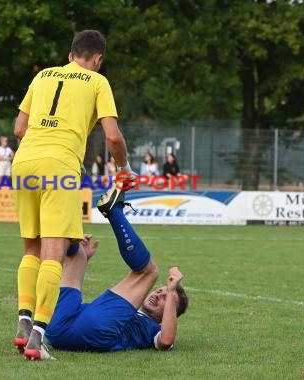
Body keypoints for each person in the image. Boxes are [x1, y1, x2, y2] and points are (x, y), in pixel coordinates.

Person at [11, 30, 137, 360]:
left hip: (23, 162)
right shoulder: (98, 82)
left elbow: (19, 130)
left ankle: (23, 323)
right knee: (53, 253)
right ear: (97, 59)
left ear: (70, 55)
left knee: (31, 248)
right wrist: (124, 168)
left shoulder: (42, 76)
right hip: (60, 165)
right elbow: (113, 137)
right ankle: (38, 339)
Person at [44, 183, 188, 353]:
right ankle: (69, 234)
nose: (159, 294)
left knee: (149, 272)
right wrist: (84, 260)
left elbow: (166, 340)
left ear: (168, 314)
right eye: (161, 291)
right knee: (79, 255)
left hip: (94, 330)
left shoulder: (152, 330)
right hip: (56, 329)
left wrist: (172, 292)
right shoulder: (132, 309)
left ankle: (113, 211)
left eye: (165, 298)